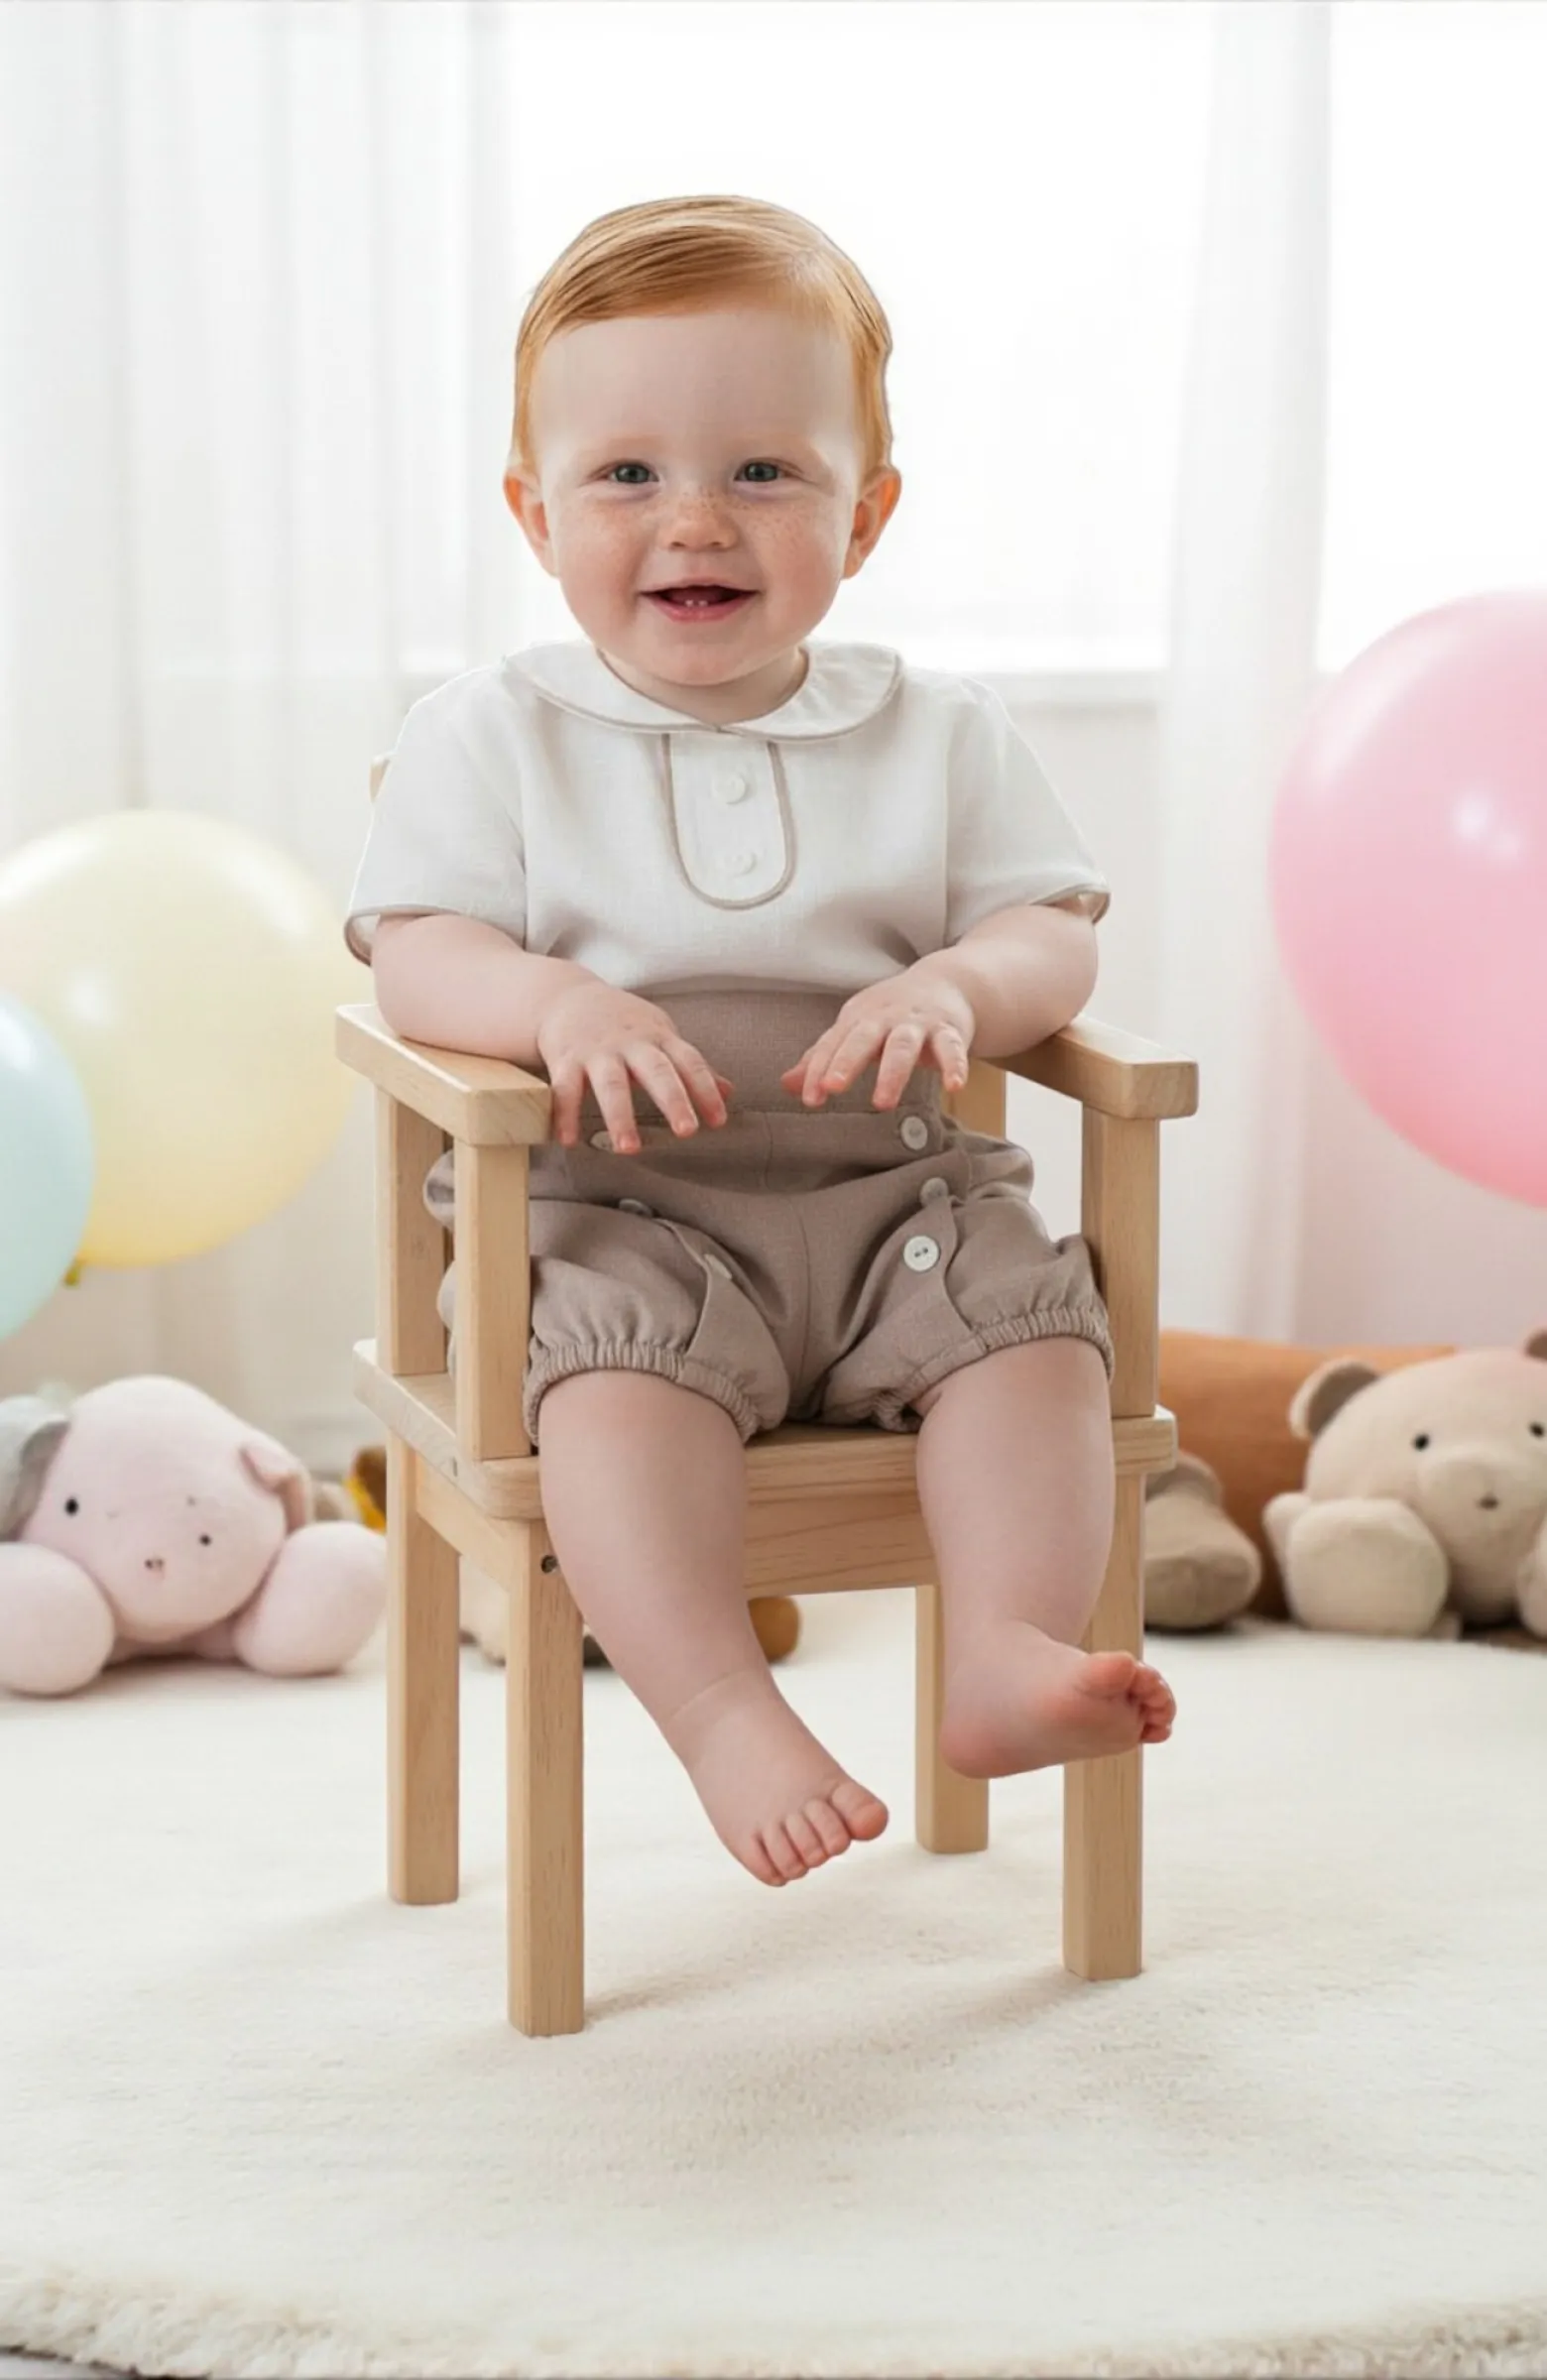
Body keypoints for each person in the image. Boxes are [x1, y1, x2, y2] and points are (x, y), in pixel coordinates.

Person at [344, 193, 1175, 1891]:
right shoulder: (490, 736)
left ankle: (1008, 1647)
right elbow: (416, 958)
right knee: (613, 1404)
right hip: (611, 1212)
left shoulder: (934, 731)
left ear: (863, 517)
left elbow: (1049, 930)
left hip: (897, 1203)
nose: (693, 521)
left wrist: (961, 988)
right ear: (535, 509)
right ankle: (722, 1709)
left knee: (1034, 1333)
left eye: (764, 472)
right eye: (628, 474)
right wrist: (553, 1004)